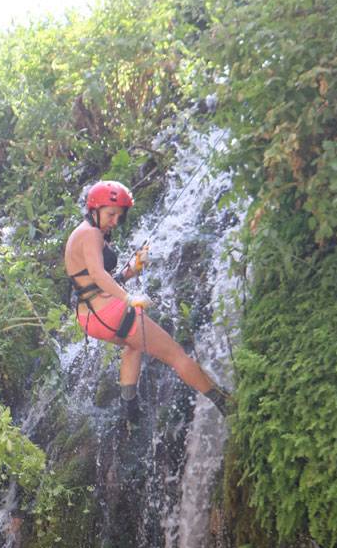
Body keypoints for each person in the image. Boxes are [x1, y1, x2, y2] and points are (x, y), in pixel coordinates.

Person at [64, 180, 231, 420]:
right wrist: (129, 298)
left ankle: (129, 409)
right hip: (110, 312)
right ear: (94, 209)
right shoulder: (90, 235)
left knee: (135, 344)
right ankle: (226, 405)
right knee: (176, 355)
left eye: (119, 217)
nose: (114, 221)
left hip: (90, 318)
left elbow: (95, 278)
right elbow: (99, 276)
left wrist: (131, 270)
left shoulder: (85, 232)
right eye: (110, 214)